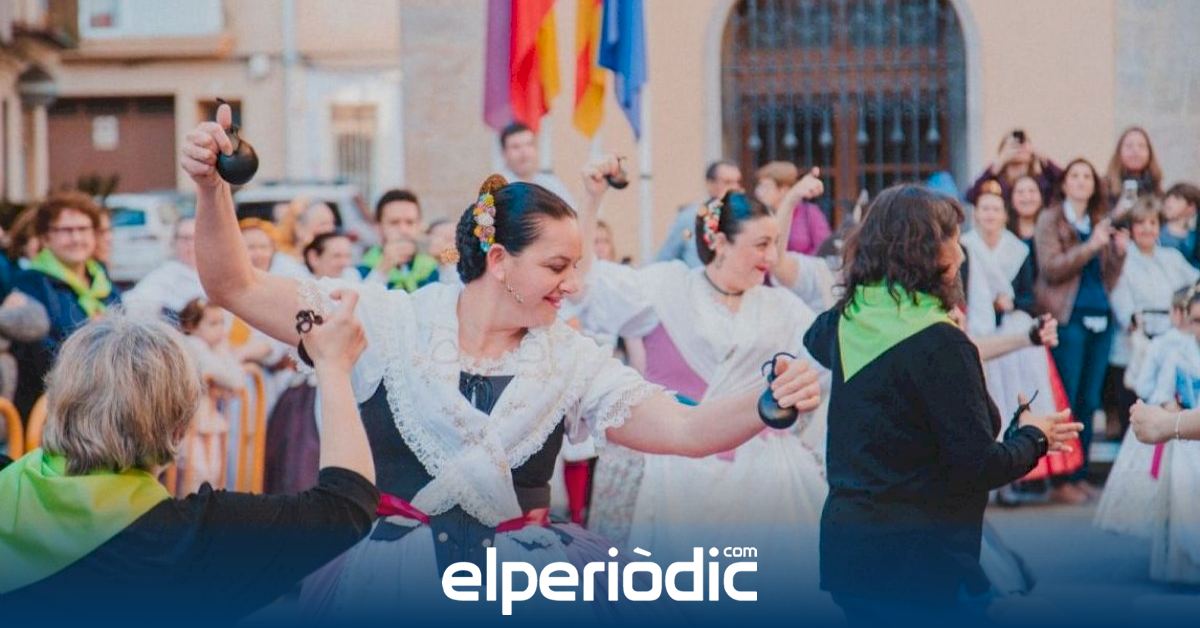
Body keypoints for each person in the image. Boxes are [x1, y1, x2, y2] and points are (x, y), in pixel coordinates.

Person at [181, 105, 821, 617]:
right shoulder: (386, 323)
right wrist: (212, 190)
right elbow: (235, 286)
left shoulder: (572, 360)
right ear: (498, 261)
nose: (574, 284)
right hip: (384, 581)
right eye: (557, 266)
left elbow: (685, 428)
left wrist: (765, 404)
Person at [802, 184, 1081, 622]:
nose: (962, 254)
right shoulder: (941, 343)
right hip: (920, 563)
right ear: (925, 252)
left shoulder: (850, 319)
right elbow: (978, 467)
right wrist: (1034, 437)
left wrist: (877, 290)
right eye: (953, 239)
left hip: (850, 552)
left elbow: (817, 338)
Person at [0, 302, 379, 623]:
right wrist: (332, 367)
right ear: (180, 427)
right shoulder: (191, 540)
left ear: (57, 402)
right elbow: (347, 506)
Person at [574, 190, 830, 573]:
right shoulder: (667, 288)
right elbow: (585, 286)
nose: (772, 256)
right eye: (761, 244)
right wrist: (591, 198)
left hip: (761, 476)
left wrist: (800, 386)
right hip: (671, 471)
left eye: (776, 243)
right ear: (720, 242)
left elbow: (824, 364)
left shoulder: (781, 307)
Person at [962, 180, 1082, 505]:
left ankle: (1013, 476)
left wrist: (1010, 303)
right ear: (976, 214)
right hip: (979, 331)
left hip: (1013, 339)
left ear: (1005, 215)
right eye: (984, 209)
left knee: (1016, 401)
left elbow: (1031, 296)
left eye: (995, 209)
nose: (990, 214)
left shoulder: (1018, 250)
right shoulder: (966, 247)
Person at [1035, 157, 1127, 497]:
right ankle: (1061, 479)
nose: (1081, 181)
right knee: (1068, 399)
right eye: (1075, 175)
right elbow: (1051, 268)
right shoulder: (1050, 219)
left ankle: (1080, 474)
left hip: (1100, 317)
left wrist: (1118, 253)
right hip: (1067, 318)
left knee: (1089, 400)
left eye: (1087, 176)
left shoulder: (1100, 220)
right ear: (1064, 183)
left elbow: (1107, 278)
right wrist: (1091, 245)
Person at [10, 192, 122, 418]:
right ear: (46, 237)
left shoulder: (101, 280)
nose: (76, 238)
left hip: (105, 403)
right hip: (53, 408)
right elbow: (41, 352)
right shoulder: (31, 282)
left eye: (83, 229)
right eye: (66, 230)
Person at [655, 160, 743, 267]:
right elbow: (666, 257)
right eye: (727, 182)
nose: (735, 188)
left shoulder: (745, 217)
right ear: (710, 184)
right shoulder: (690, 218)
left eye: (737, 182)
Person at [123, 217, 205, 321]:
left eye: (195, 238)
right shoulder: (165, 275)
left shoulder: (212, 275)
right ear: (174, 242)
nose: (191, 244)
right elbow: (133, 303)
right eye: (185, 238)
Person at [359, 189, 440, 292]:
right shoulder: (361, 269)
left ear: (419, 225)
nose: (403, 230)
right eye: (394, 222)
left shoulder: (433, 265)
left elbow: (457, 278)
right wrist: (383, 268)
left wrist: (445, 257)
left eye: (410, 222)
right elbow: (362, 300)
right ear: (378, 227)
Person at [754, 160, 831, 256]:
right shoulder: (761, 216)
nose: (759, 192)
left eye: (766, 187)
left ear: (783, 189)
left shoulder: (809, 212)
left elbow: (824, 248)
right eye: (759, 187)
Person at [965, 129, 1062, 205]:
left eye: (1023, 142)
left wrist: (1044, 159)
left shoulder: (1040, 181)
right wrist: (998, 164)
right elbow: (971, 196)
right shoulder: (994, 183)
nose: (1019, 147)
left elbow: (1064, 185)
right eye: (1013, 144)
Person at [497, 122, 575, 207]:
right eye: (516, 147)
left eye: (529, 144)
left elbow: (571, 211)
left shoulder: (551, 183)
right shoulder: (498, 190)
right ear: (504, 153)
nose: (524, 152)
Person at [1105, 126, 1164, 206]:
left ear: (1149, 153)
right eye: (1129, 146)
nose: (1136, 151)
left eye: (1141, 146)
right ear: (1119, 152)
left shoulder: (1156, 188)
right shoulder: (1103, 189)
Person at [1161, 182, 1200, 268]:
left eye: (1177, 198)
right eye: (1168, 197)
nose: (1169, 201)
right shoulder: (1157, 231)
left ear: (1191, 207)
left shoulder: (1194, 238)